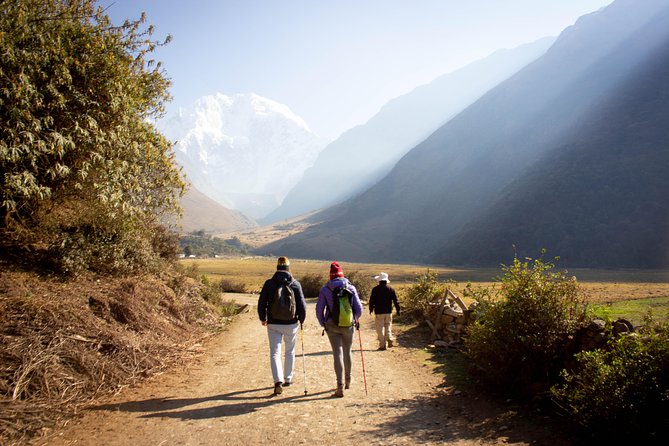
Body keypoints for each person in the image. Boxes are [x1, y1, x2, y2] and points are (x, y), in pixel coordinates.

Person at [258, 256, 307, 396]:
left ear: (277, 268)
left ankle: (277, 381)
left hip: (273, 323)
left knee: (275, 352)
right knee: (290, 351)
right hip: (291, 323)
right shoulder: (295, 284)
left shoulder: (269, 284)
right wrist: (301, 320)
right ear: (288, 268)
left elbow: (262, 302)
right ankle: (288, 378)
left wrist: (263, 318)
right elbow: (302, 305)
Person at [316, 261, 363, 397]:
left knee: (337, 353)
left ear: (330, 275)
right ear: (342, 274)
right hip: (348, 324)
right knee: (348, 351)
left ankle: (339, 386)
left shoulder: (325, 289)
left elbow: (319, 309)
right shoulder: (351, 288)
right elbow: (359, 309)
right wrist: (354, 319)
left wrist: (323, 323)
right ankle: (348, 381)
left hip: (331, 325)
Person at [369, 272, 400, 350]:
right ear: (386, 281)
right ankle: (389, 337)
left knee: (380, 328)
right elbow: (396, 301)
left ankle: (382, 345)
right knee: (388, 325)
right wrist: (398, 310)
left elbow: (372, 300)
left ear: (379, 281)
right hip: (388, 312)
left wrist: (371, 309)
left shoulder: (375, 289)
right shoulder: (391, 289)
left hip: (379, 312)